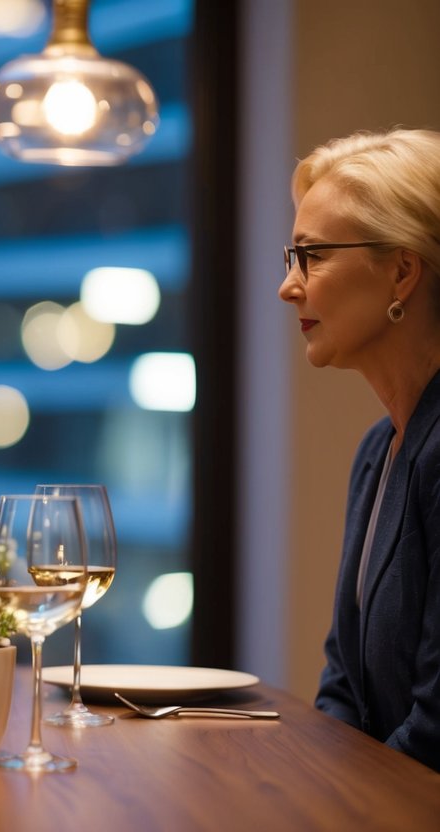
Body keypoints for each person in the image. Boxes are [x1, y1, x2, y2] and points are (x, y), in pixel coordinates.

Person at [278, 127, 440, 773]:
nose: (288, 287)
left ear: (402, 271)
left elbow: (434, 732)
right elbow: (343, 685)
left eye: (311, 256)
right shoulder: (378, 449)